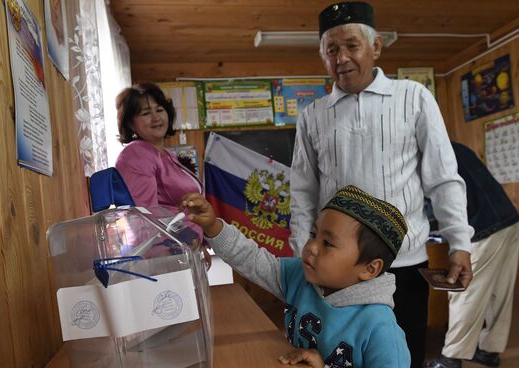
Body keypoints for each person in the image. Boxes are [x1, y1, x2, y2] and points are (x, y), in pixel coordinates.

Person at [288, 2, 475, 366]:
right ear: (323, 57)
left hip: (404, 265)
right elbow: (302, 193)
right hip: (339, 270)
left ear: (375, 48)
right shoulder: (313, 116)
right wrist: (303, 252)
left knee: (402, 356)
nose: (341, 57)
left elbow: (443, 178)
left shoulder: (414, 97)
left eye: (352, 46)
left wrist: (460, 244)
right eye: (331, 50)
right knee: (336, 356)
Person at [182, 185, 411, 368]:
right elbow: (252, 260)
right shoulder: (300, 276)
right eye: (313, 234)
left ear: (369, 269)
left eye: (328, 243)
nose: (311, 247)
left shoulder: (380, 329)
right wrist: (213, 227)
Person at [425, 142, 519, 368]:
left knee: (463, 292)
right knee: (499, 292)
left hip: (482, 226)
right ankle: (489, 351)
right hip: (508, 218)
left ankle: (450, 359)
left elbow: (436, 199)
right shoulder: (454, 146)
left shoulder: (428, 153)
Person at [115, 83, 209, 263]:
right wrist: (188, 239)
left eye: (159, 109)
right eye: (145, 113)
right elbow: (143, 214)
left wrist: (199, 243)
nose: (156, 117)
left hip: (183, 250)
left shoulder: (167, 155)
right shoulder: (136, 154)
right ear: (130, 123)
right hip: (163, 255)